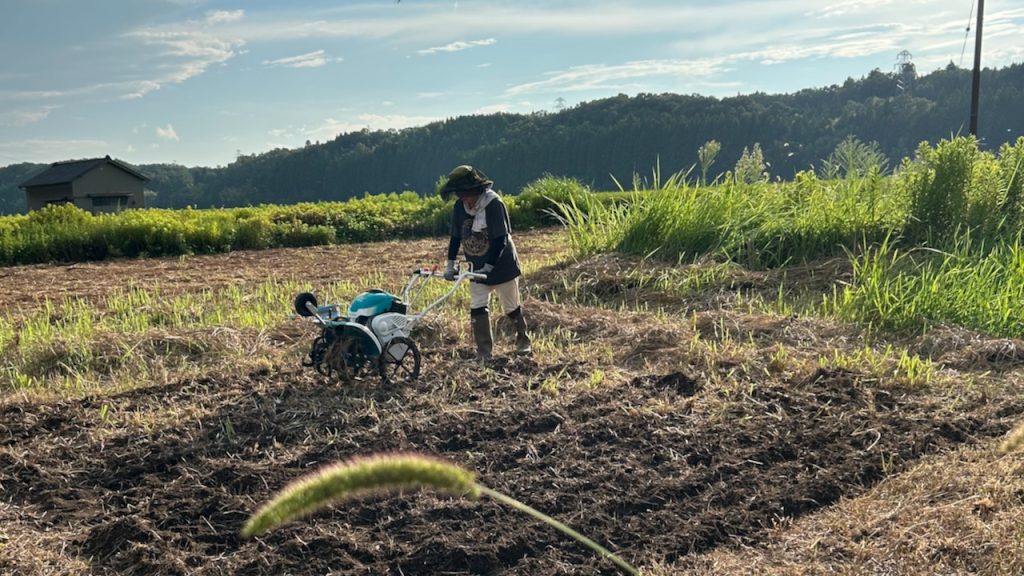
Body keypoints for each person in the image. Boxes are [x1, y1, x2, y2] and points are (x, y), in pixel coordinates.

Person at [440, 165, 531, 361]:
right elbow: (455, 237)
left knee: (511, 306)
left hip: (502, 265)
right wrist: (450, 265)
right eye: (460, 195)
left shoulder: (493, 204)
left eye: (466, 195)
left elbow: (500, 239)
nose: (464, 199)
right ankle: (484, 351)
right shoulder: (460, 207)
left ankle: (523, 340)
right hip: (476, 266)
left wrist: (489, 265)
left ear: (476, 189)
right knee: (478, 306)